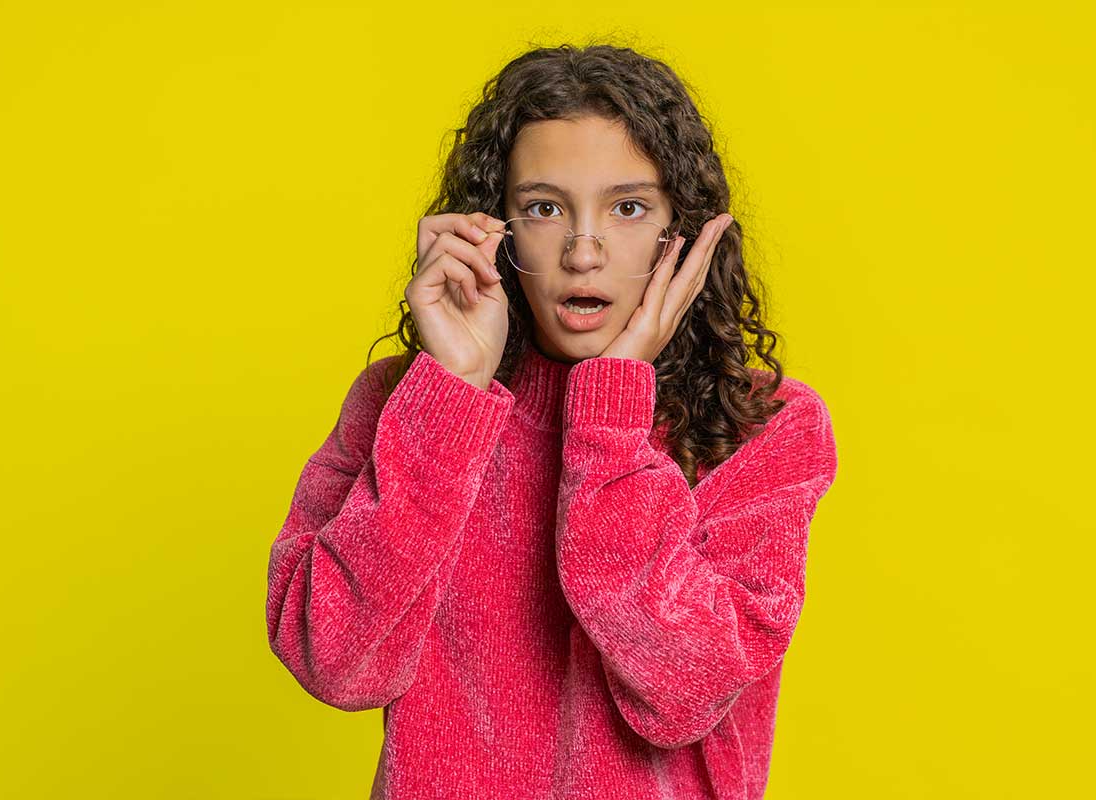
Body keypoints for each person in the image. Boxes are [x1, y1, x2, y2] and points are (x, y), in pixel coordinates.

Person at [265, 42, 838, 800]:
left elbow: (684, 689)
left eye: (627, 208)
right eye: (544, 208)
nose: (583, 252)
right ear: (494, 229)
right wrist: (453, 392)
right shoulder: (408, 401)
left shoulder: (767, 428)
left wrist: (611, 411)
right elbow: (336, 661)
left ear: (684, 232)